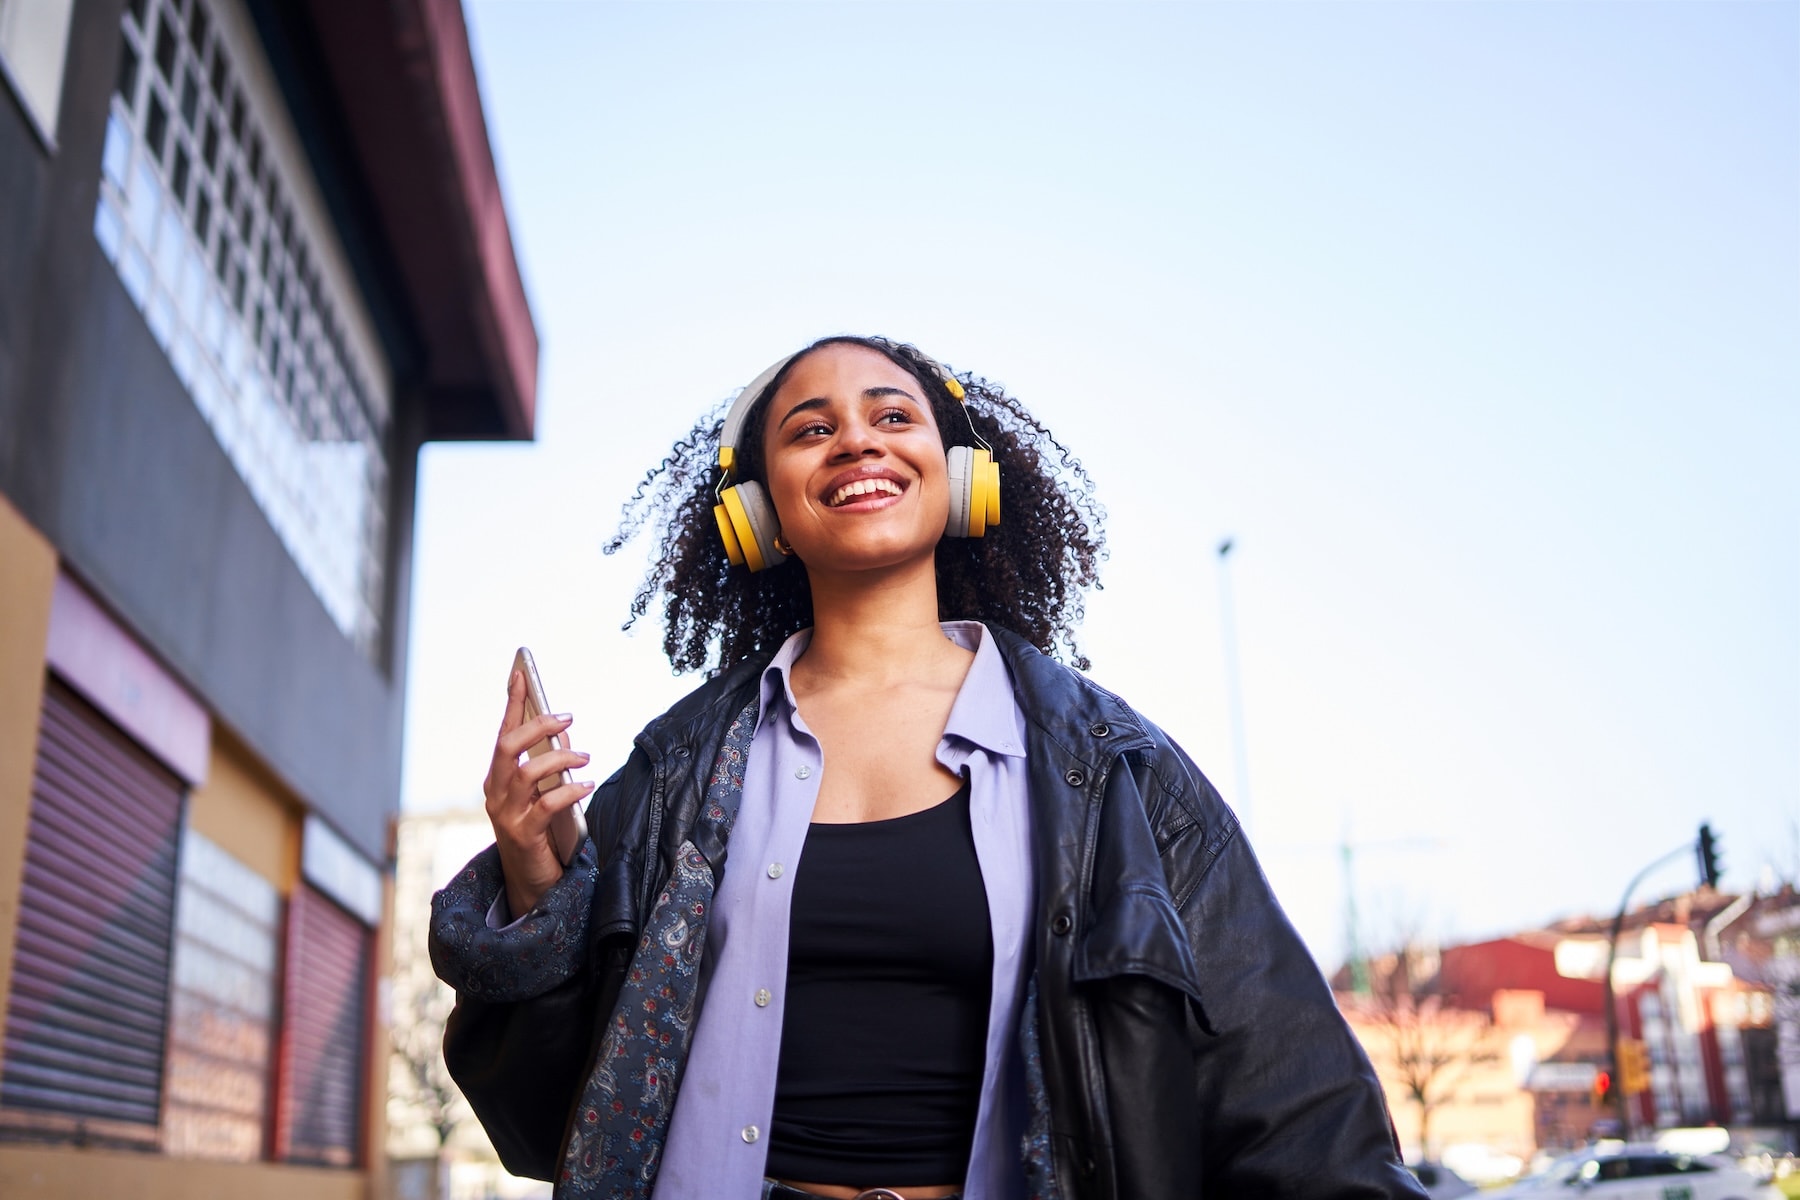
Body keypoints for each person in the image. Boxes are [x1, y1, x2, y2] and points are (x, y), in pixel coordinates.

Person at [430, 335, 1426, 1200]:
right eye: (810, 429)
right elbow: (543, 1123)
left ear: (958, 475)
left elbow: (1290, 1097)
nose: (856, 439)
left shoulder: (1113, 769)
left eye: (891, 415)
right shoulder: (673, 774)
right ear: (758, 509)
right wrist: (535, 877)